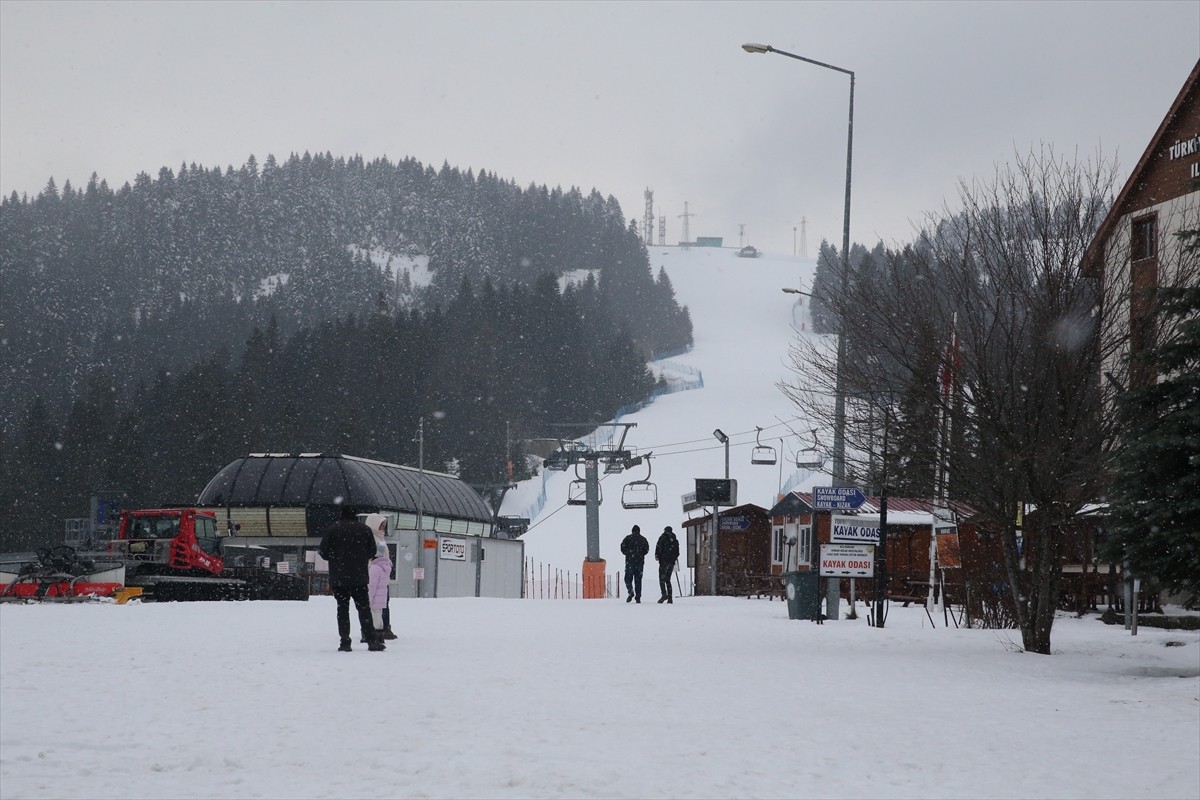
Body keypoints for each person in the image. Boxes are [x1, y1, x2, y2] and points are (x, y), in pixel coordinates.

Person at [317, 505, 384, 652]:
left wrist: (336, 559)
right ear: (355, 515)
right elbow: (372, 551)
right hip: (359, 577)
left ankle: (345, 642)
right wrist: (360, 558)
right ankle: (372, 641)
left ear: (341, 514)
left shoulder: (333, 529)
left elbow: (323, 552)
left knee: (342, 609)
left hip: (339, 578)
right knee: (364, 609)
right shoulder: (365, 530)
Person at [363, 513, 397, 642]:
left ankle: (382, 627)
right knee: (376, 603)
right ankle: (377, 629)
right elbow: (374, 557)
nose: (383, 527)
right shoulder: (371, 538)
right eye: (381, 524)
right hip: (375, 574)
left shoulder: (380, 538)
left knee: (382, 602)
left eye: (384, 525)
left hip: (382, 574)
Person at [620, 524, 650, 603]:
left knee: (627, 579)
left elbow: (622, 547)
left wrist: (628, 553)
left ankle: (630, 591)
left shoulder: (628, 538)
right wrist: (640, 554)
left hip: (630, 562)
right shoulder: (643, 539)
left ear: (632, 531)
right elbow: (646, 550)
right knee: (638, 580)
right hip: (640, 563)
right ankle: (638, 597)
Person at [655, 525, 680, 604]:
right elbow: (677, 553)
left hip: (663, 562)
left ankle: (664, 594)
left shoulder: (662, 538)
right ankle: (670, 598)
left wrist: (658, 556)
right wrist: (673, 559)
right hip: (671, 563)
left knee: (662, 579)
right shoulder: (675, 540)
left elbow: (658, 548)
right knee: (668, 580)